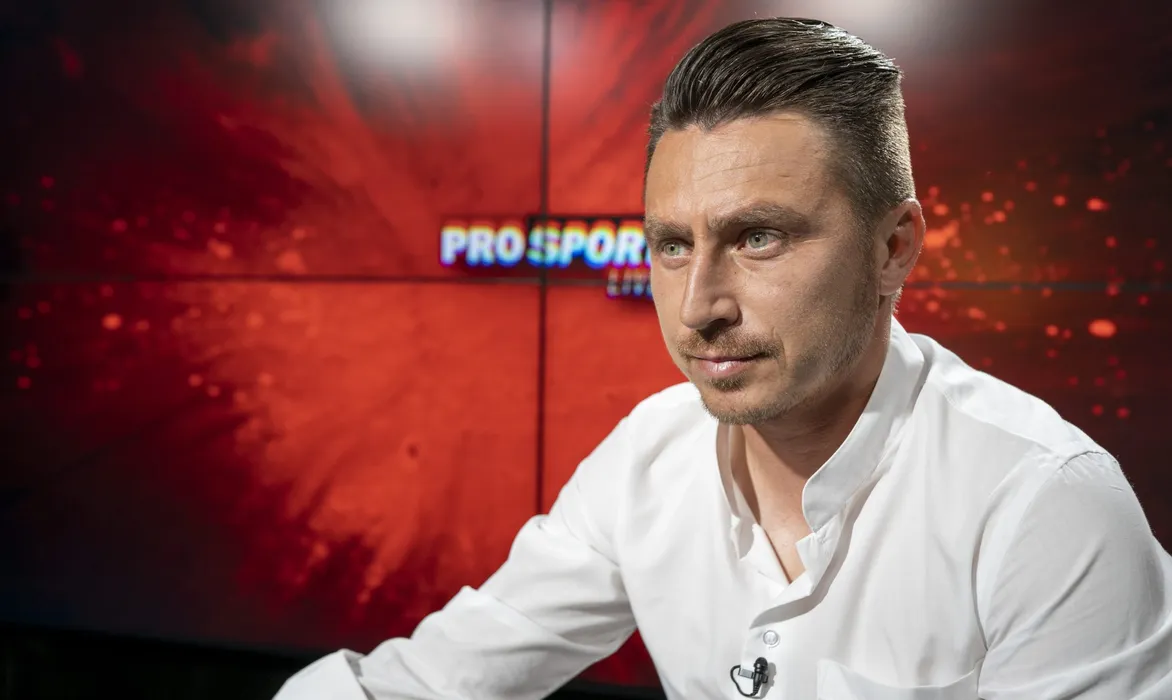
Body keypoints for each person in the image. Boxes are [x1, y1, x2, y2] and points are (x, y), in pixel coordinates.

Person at [274, 17, 1172, 699]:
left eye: (758, 237)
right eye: (672, 245)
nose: (700, 306)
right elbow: (428, 682)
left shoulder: (1044, 504)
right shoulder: (648, 457)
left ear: (894, 247)